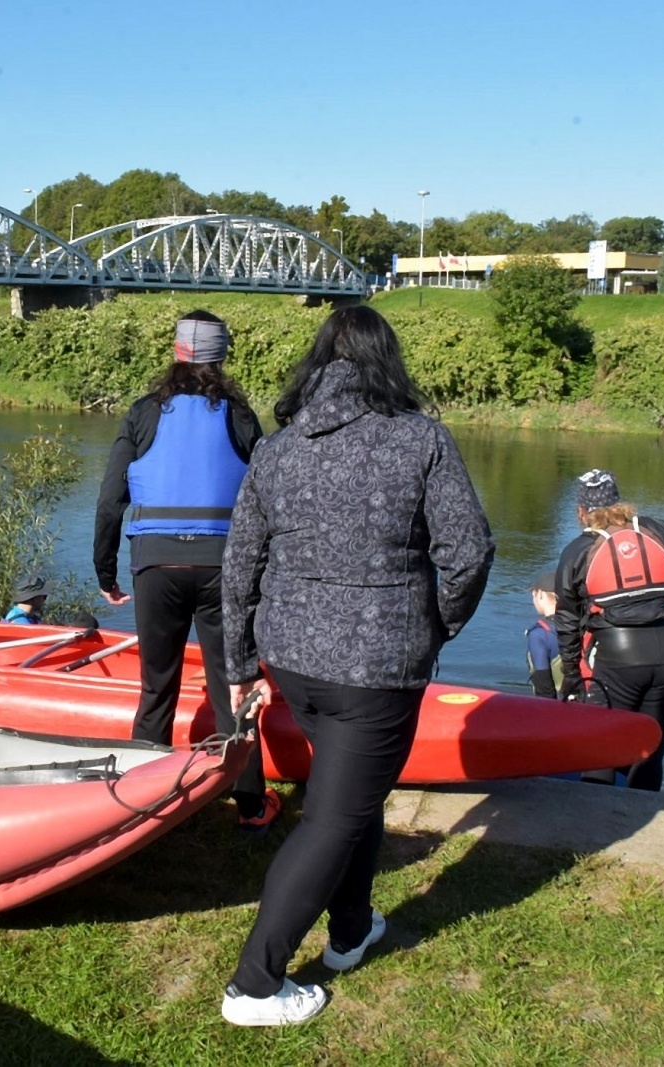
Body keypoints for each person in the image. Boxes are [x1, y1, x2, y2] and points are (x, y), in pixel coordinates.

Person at [219, 305, 494, 1026]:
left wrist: (242, 660)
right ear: (386, 362)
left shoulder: (276, 450)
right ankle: (254, 984)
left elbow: (240, 561)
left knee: (353, 798)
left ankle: (349, 930)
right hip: (378, 665)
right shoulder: (420, 440)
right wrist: (440, 624)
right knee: (335, 817)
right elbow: (468, 551)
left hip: (296, 662)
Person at [92, 309, 277, 832]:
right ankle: (250, 806)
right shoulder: (240, 415)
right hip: (225, 570)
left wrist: (105, 570)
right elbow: (265, 498)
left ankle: (137, 805)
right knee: (231, 686)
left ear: (177, 352)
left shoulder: (143, 413)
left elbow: (111, 501)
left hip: (156, 566)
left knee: (157, 687)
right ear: (221, 358)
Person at [552, 468, 664, 792]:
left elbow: (567, 621)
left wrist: (572, 674)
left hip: (616, 656)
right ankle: (643, 816)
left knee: (601, 746)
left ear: (581, 511)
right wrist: (654, 594)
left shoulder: (579, 550)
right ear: (618, 502)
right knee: (650, 744)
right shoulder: (660, 531)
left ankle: (597, 826)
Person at [526, 569, 561, 699]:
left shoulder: (539, 635)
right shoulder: (581, 623)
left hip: (559, 708)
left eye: (533, 595)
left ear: (540, 594)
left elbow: (543, 688)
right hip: (587, 703)